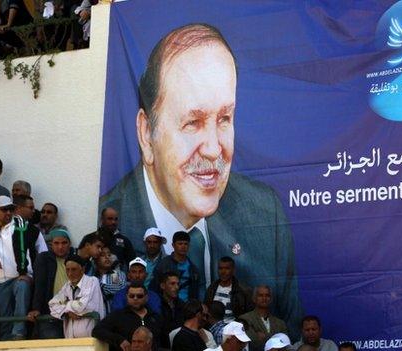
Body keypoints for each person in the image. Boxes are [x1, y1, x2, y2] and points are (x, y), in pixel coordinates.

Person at [99, 23, 301, 329]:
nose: (212, 149)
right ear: (146, 134)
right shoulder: (114, 221)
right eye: (193, 122)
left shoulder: (264, 212)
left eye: (224, 119)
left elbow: (290, 326)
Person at [0, 195, 47, 340]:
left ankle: (18, 334)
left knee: (21, 295)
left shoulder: (19, 223)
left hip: (19, 275)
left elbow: (20, 247)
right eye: (4, 210)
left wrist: (23, 272)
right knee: (4, 314)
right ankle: (5, 342)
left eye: (11, 209)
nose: (8, 213)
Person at [28, 228, 72, 339]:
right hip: (49, 313)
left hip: (71, 313)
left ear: (69, 244)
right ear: (51, 244)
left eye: (64, 243)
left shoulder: (75, 259)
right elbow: (40, 285)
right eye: (56, 243)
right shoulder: (43, 258)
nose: (60, 247)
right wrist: (36, 308)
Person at [92, 282, 163, 351]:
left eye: (139, 296)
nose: (135, 298)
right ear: (127, 297)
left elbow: (164, 342)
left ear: (146, 297)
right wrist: (119, 340)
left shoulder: (156, 317)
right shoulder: (117, 316)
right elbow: (97, 331)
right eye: (131, 296)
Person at [49, 254, 106, 338]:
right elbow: (52, 304)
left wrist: (65, 305)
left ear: (82, 269)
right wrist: (67, 313)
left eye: (74, 270)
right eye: (67, 270)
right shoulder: (66, 286)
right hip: (71, 339)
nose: (70, 273)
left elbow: (81, 306)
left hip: (91, 338)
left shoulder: (92, 281)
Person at [152, 231, 199, 302]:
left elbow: (197, 289)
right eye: (180, 244)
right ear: (173, 245)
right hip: (167, 305)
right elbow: (154, 287)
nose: (183, 246)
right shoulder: (163, 264)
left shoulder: (193, 268)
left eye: (186, 244)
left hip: (188, 307)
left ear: (189, 246)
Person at [239, 286, 288, 351]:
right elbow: (252, 343)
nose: (264, 298)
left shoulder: (280, 324)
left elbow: (285, 345)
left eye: (267, 295)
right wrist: (274, 341)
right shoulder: (244, 319)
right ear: (254, 299)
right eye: (260, 295)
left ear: (271, 299)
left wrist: (262, 336)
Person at [205, 256, 253, 322]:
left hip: (234, 329)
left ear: (233, 270)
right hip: (213, 328)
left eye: (227, 268)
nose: (223, 272)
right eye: (220, 268)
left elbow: (249, 314)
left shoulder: (243, 290)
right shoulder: (212, 288)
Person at [95, 246, 127, 315]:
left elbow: (120, 288)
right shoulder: (93, 278)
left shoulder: (116, 274)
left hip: (118, 316)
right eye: (103, 255)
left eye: (109, 255)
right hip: (101, 319)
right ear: (96, 260)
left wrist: (100, 286)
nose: (107, 257)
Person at [159, 271, 184, 349]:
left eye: (178, 284)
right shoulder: (156, 305)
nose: (177, 287)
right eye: (172, 284)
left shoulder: (182, 304)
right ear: (163, 286)